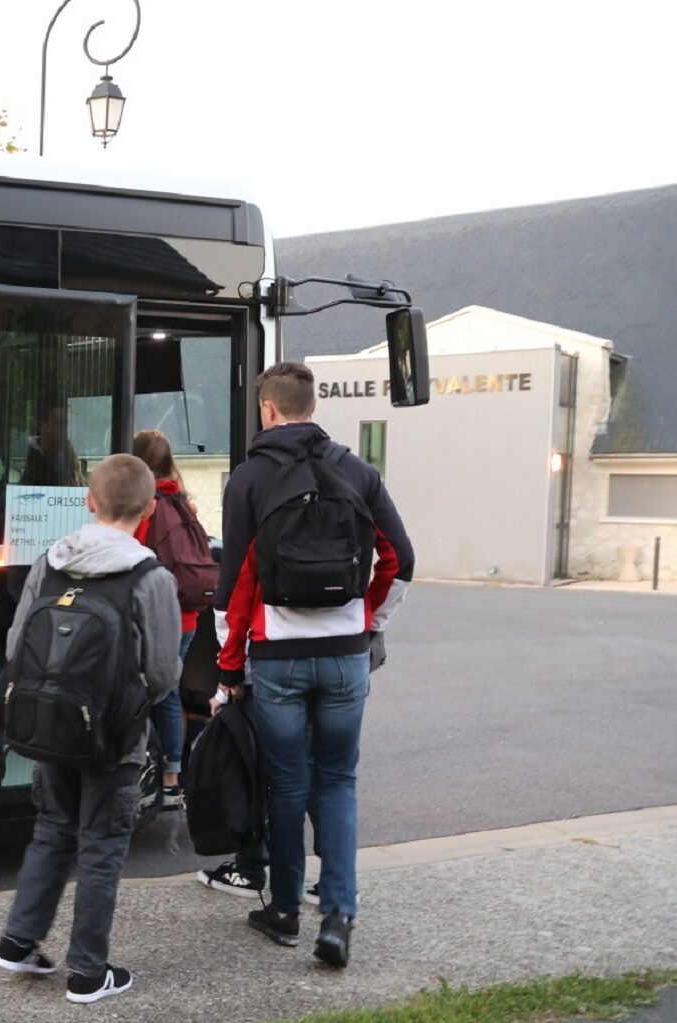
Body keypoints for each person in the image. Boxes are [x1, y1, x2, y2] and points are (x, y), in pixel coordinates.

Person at [205, 361, 412, 968]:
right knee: (339, 781)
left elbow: (234, 584)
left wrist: (228, 668)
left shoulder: (248, 480)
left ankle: (286, 910)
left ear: (268, 409)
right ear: (312, 407)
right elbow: (401, 558)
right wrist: (367, 621)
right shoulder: (357, 470)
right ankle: (339, 915)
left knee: (287, 783)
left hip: (277, 659)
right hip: (346, 657)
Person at [0, 453, 182, 1004]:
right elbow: (164, 671)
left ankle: (18, 941)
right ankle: (89, 974)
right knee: (101, 844)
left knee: (52, 828)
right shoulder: (150, 577)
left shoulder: (50, 562)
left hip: (51, 726)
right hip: (115, 737)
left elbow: (15, 643)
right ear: (147, 510)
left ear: (88, 501)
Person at [128, 429, 203, 808]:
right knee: (169, 694)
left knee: (140, 691)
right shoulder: (184, 503)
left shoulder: (145, 506)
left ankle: (138, 771)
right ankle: (172, 778)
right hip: (186, 618)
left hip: (153, 616)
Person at [20, 403, 88, 487]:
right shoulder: (24, 453)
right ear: (41, 425)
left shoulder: (69, 454)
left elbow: (78, 484)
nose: (64, 430)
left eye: (67, 424)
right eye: (59, 423)